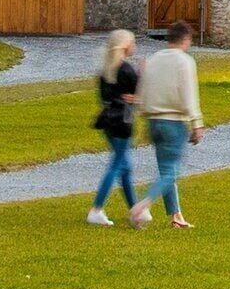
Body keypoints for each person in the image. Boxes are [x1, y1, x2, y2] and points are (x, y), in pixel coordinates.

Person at [133, 21, 205, 228]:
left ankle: (177, 216)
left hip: (153, 121)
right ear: (185, 40)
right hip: (174, 122)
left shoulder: (154, 59)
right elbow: (189, 95)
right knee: (170, 172)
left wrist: (144, 114)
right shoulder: (185, 61)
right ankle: (142, 206)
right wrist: (196, 123)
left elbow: (142, 90)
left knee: (166, 170)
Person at [86, 30, 144, 226]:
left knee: (125, 167)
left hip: (108, 121)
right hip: (123, 122)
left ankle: (135, 208)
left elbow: (105, 97)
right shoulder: (126, 69)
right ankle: (96, 209)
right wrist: (143, 76)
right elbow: (138, 96)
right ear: (125, 46)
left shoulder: (106, 70)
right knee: (117, 165)